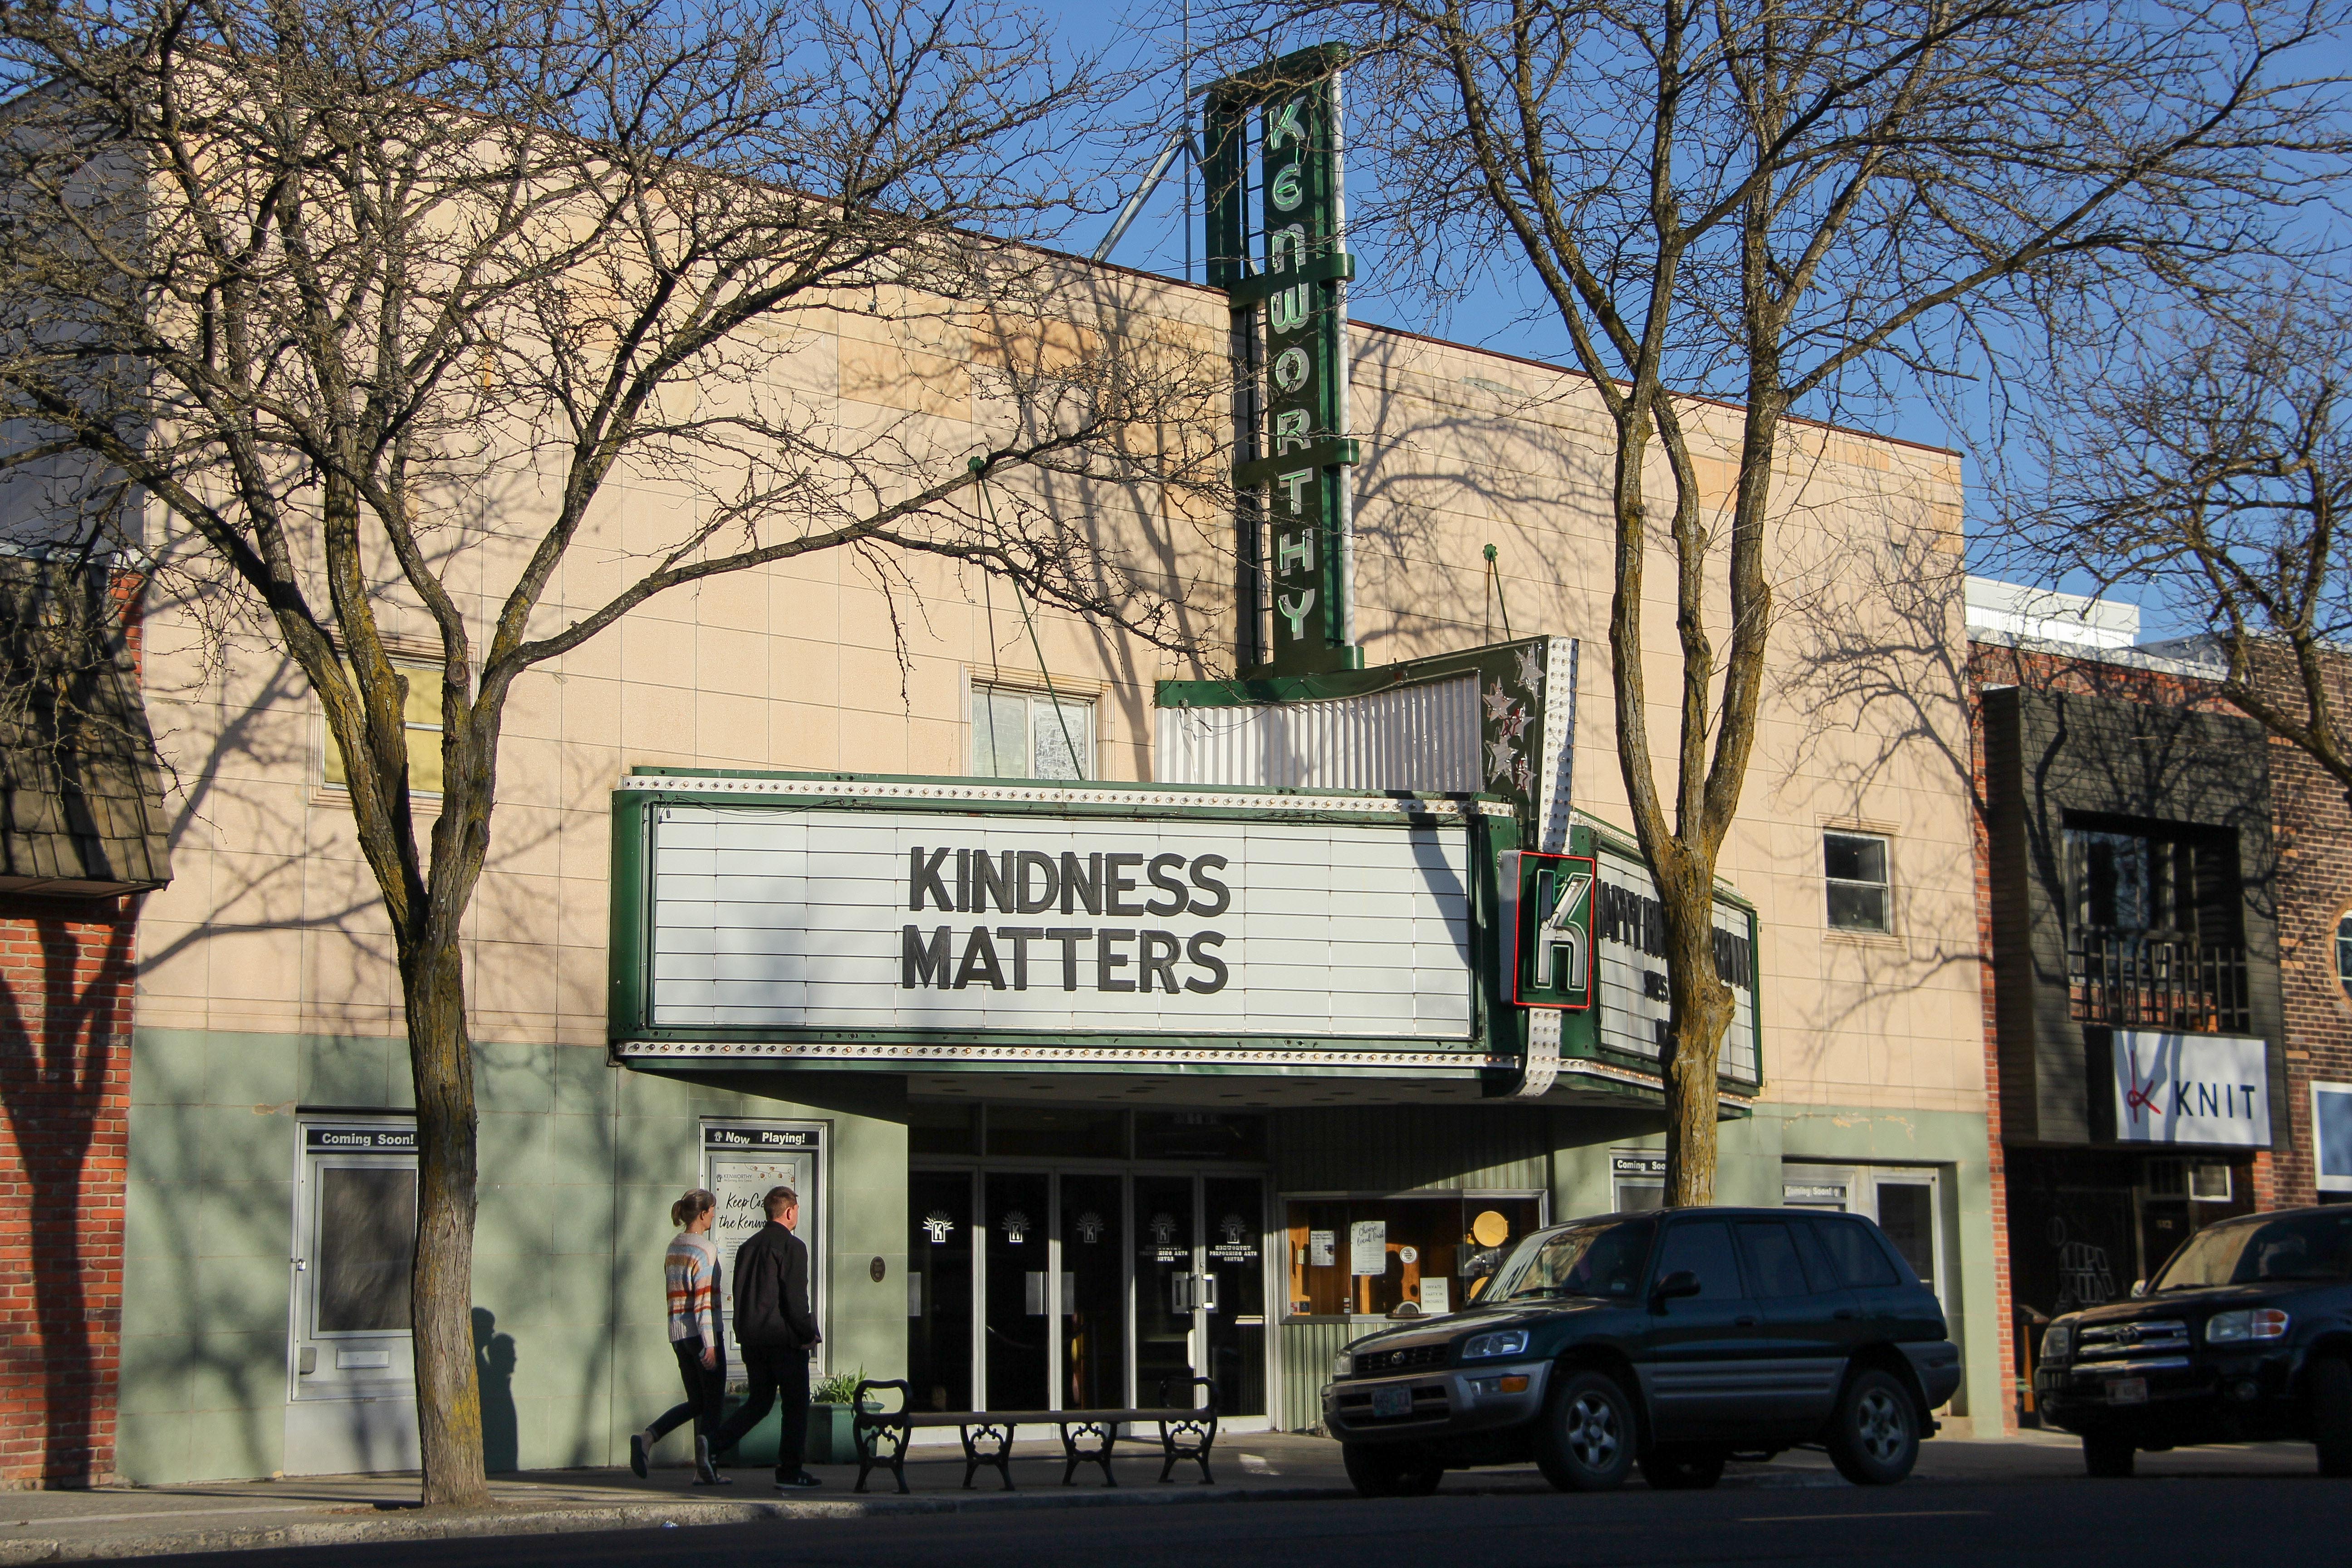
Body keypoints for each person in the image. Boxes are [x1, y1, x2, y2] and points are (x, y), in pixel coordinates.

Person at [708, 1184, 823, 1490]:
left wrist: (742, 1332)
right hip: (783, 1339)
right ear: (789, 1212)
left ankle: (713, 1445)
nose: (797, 1214)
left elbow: (741, 1293)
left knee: (760, 1402)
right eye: (796, 1209)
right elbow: (796, 1299)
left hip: (753, 1340)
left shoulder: (748, 1247)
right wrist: (807, 1331)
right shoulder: (792, 1246)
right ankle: (790, 1470)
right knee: (796, 1404)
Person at [628, 1189, 732, 1486]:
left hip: (678, 1335)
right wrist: (710, 1344)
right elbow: (702, 1302)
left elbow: (675, 1294)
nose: (714, 1214)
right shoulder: (705, 1249)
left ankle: (648, 1438)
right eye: (713, 1209)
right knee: (713, 1403)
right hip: (702, 1334)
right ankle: (707, 1467)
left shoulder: (674, 1246)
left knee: (697, 1401)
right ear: (703, 1214)